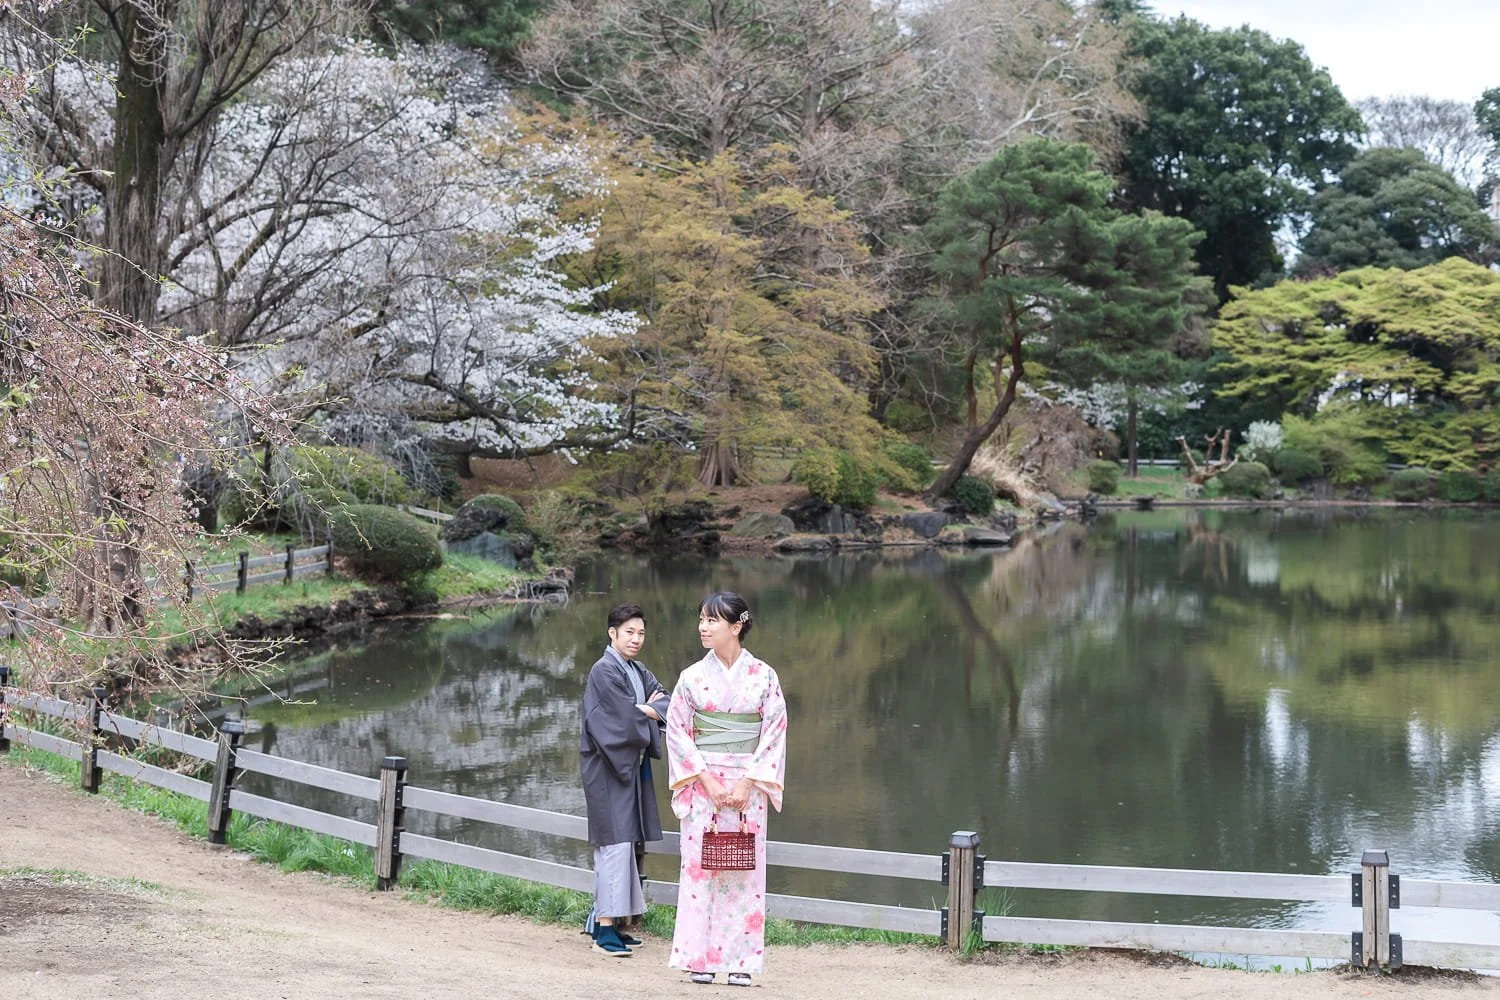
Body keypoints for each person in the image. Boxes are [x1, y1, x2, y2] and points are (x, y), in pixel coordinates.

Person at [665, 592, 788, 987]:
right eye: (701, 619)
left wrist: (749, 781)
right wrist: (708, 781)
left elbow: (774, 733)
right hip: (704, 785)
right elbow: (679, 734)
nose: (703, 627)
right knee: (700, 871)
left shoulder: (764, 677)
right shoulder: (691, 678)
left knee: (744, 872)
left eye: (712, 620)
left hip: (748, 786)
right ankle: (699, 959)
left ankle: (741, 961)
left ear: (736, 626)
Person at [580, 602, 671, 957]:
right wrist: (646, 711)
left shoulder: (635, 669)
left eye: (641, 633)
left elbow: (667, 700)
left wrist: (646, 710)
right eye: (629, 632)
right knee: (613, 844)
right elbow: (617, 720)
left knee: (626, 843)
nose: (636, 639)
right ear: (612, 634)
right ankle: (604, 928)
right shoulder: (603, 671)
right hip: (606, 766)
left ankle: (617, 924)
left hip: (627, 767)